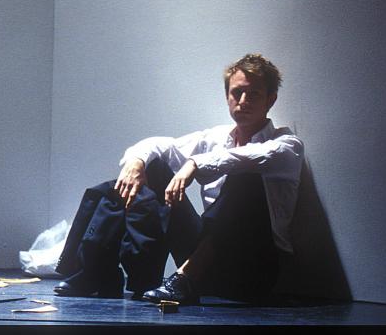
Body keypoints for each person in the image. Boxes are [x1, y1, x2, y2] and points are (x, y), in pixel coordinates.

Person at [52, 53, 303, 304]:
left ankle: (184, 279)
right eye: (237, 93)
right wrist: (135, 163)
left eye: (254, 94)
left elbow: (249, 157)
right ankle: (98, 271)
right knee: (151, 167)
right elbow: (160, 145)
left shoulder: (287, 145)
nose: (243, 101)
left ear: (271, 100)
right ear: (227, 96)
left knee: (245, 178)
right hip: (208, 261)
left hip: (253, 270)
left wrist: (194, 164)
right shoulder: (215, 138)